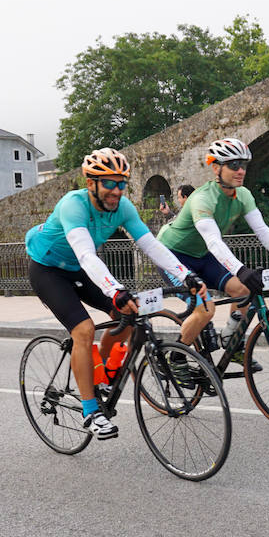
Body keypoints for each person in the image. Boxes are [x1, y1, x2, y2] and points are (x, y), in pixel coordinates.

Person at [25, 147, 207, 440]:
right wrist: (116, 289)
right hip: (48, 269)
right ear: (91, 184)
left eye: (121, 183)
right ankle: (90, 410)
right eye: (109, 183)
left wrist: (185, 275)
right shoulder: (74, 204)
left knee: (128, 315)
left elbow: (151, 245)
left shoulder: (123, 207)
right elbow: (85, 254)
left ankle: (104, 375)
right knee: (83, 330)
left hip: (80, 268)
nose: (116, 190)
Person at [157, 137, 269, 350]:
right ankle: (176, 358)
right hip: (173, 255)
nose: (241, 171)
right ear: (215, 168)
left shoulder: (244, 195)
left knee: (243, 290)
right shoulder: (202, 198)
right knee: (206, 309)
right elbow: (213, 241)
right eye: (234, 165)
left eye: (244, 165)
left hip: (201, 255)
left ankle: (231, 342)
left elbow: (262, 230)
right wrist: (241, 269)